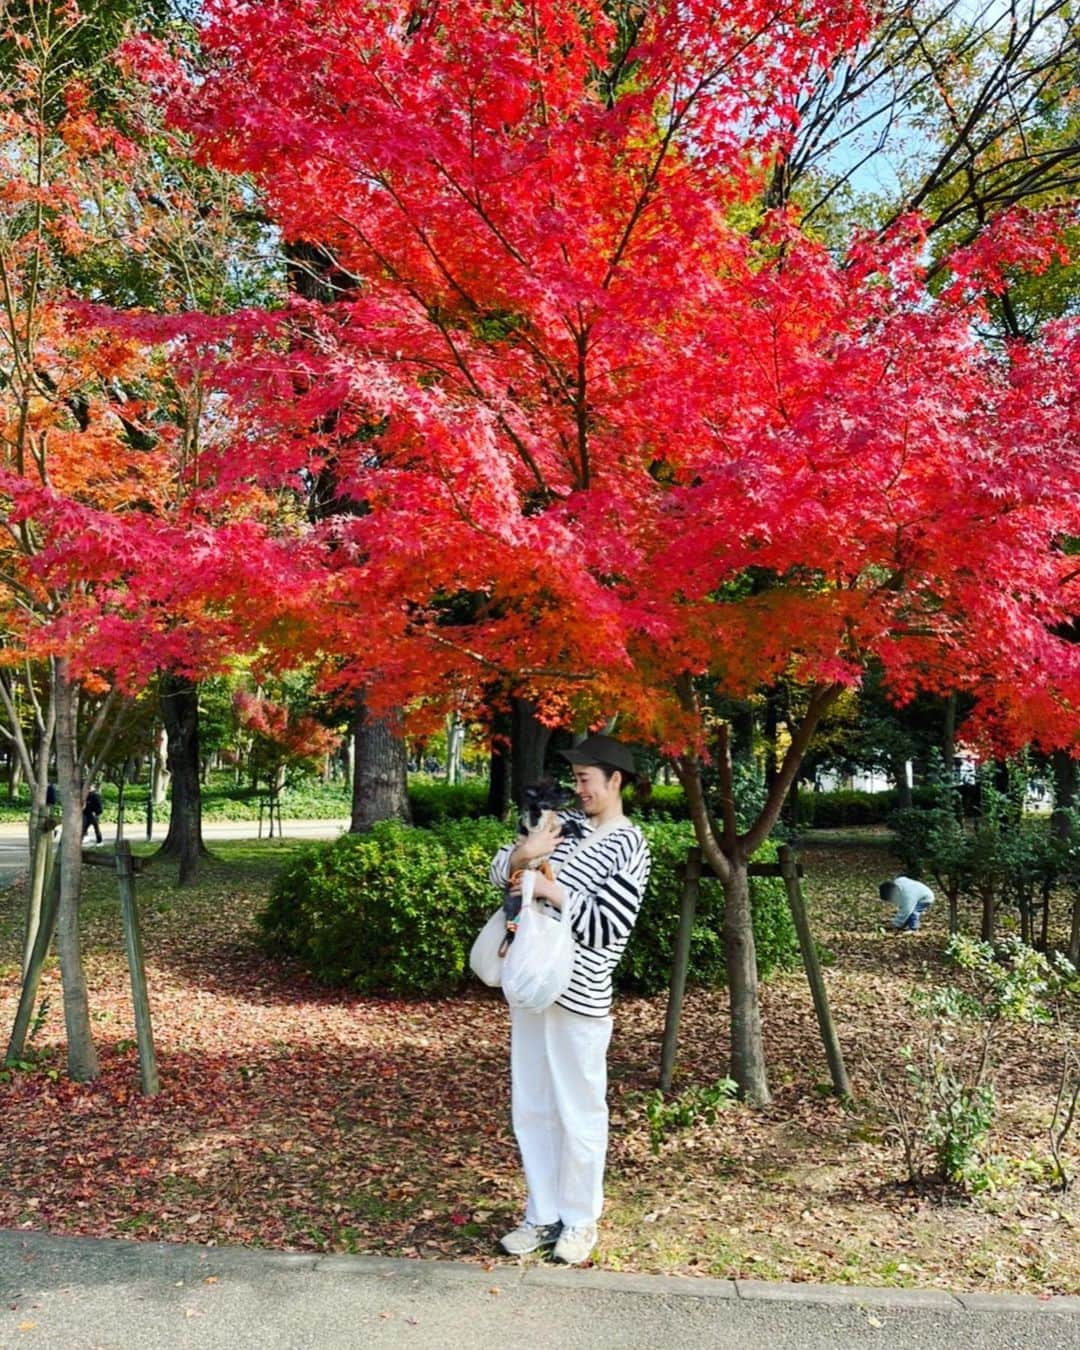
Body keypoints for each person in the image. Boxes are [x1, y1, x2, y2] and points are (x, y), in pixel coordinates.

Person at [489, 733, 651, 1268]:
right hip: (532, 985)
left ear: (615, 781)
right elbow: (499, 874)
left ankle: (580, 1221)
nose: (577, 789)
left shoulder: (630, 844)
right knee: (532, 1106)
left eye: (586, 779)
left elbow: (610, 926)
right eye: (575, 778)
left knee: (579, 1110)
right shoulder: (566, 828)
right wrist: (524, 855)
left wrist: (550, 890)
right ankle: (541, 1213)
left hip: (580, 995)